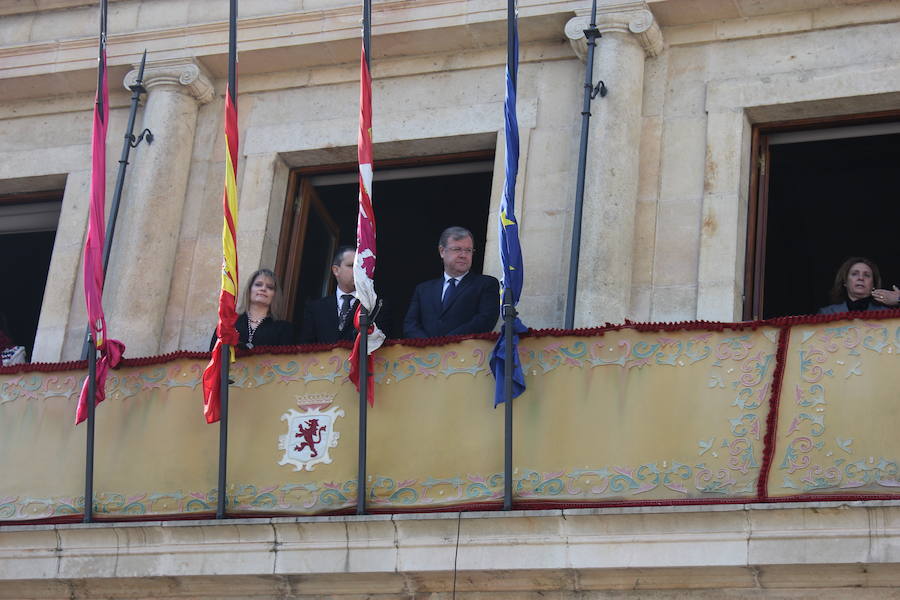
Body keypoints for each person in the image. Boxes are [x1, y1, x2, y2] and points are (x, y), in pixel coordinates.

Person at [403, 226, 500, 339]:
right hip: (427, 349)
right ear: (442, 251)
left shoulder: (486, 284)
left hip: (466, 349)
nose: (463, 255)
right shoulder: (423, 289)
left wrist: (446, 342)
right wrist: (428, 344)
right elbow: (410, 325)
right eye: (457, 249)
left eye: (468, 250)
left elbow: (485, 320)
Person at [299, 246, 392, 344]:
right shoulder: (316, 308)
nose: (358, 270)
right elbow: (305, 348)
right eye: (351, 265)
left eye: (361, 266)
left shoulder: (377, 307)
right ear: (336, 270)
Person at [210, 268, 295, 350]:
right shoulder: (228, 324)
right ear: (249, 289)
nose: (263, 289)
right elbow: (213, 356)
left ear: (275, 295)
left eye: (270, 287)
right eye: (258, 284)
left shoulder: (284, 329)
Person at [818, 257, 898, 314]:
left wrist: (899, 299)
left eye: (866, 275)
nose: (861, 278)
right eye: (854, 274)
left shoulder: (887, 313)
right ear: (845, 282)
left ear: (873, 284)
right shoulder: (827, 312)